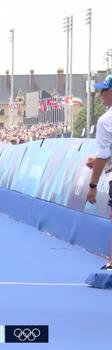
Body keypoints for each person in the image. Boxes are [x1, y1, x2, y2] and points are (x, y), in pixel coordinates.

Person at [86, 74, 112, 271]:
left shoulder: (105, 121)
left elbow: (104, 156)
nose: (100, 95)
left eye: (104, 91)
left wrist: (93, 186)